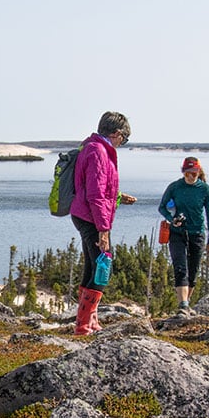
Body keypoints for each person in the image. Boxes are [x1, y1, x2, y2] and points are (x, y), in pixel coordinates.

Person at [69, 111, 136, 335]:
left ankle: (89, 320)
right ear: (117, 133)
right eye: (123, 139)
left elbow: (99, 188)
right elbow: (95, 195)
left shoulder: (93, 147)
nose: (122, 144)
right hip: (91, 218)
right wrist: (103, 230)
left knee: (92, 265)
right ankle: (84, 324)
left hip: (85, 214)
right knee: (102, 266)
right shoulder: (98, 151)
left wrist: (118, 196)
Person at [157, 156, 209, 312]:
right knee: (180, 267)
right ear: (183, 172)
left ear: (199, 172)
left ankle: (187, 303)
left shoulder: (204, 189)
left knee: (193, 269)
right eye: (188, 172)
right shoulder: (175, 187)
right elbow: (162, 207)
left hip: (197, 233)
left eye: (194, 172)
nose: (191, 176)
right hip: (177, 233)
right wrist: (171, 219)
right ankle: (183, 304)